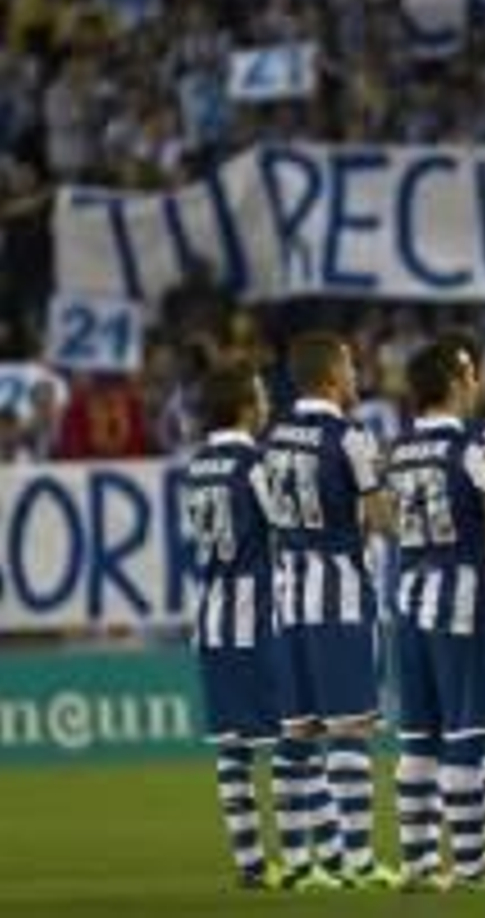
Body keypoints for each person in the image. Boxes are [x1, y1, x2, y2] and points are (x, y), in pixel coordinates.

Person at [388, 341, 485, 892]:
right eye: (473, 374)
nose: (479, 383)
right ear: (457, 381)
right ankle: (472, 867)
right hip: (466, 603)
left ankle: (418, 864)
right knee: (468, 733)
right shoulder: (474, 442)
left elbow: (384, 520)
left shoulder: (401, 448)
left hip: (410, 600)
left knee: (419, 738)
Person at [262, 332, 397, 889]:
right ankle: (359, 861)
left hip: (289, 596)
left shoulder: (273, 438)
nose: (357, 371)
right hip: (338, 594)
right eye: (350, 363)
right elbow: (382, 519)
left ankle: (297, 862)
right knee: (349, 730)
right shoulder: (350, 435)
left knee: (297, 734)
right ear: (333, 375)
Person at [181, 363, 286, 890]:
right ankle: (304, 857)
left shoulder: (197, 466)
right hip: (257, 617)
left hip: (212, 618)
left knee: (232, 749)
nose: (268, 403)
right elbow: (287, 527)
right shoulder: (255, 463)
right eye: (262, 394)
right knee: (293, 738)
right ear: (246, 405)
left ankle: (250, 864)